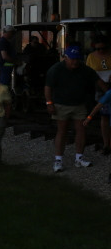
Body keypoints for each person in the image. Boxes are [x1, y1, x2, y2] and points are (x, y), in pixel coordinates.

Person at [45, 44, 107, 172]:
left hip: (79, 104)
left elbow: (98, 81)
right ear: (66, 58)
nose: (75, 61)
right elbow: (48, 87)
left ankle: (79, 157)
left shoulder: (85, 69)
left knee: (81, 129)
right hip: (61, 104)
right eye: (72, 59)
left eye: (77, 59)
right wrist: (49, 103)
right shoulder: (56, 69)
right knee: (62, 131)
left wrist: (108, 93)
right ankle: (58, 159)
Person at [85, 35, 111, 155]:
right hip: (100, 88)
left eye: (103, 48)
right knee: (105, 116)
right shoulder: (91, 57)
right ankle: (106, 144)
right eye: (98, 49)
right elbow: (89, 74)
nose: (101, 51)